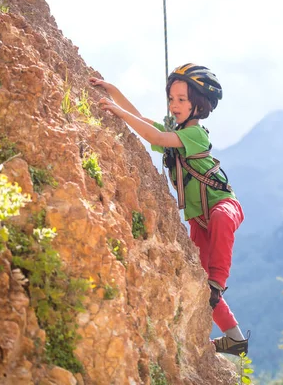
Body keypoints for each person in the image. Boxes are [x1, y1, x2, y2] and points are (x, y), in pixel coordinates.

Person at [89, 63, 250, 356]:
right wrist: (114, 92)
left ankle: (219, 281)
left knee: (220, 227)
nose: (174, 105)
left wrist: (118, 112)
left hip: (224, 205)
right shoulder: (176, 134)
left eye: (182, 100)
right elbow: (144, 122)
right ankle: (235, 338)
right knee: (202, 286)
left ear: (199, 106)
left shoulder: (195, 135)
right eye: (171, 99)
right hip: (200, 220)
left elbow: (156, 137)